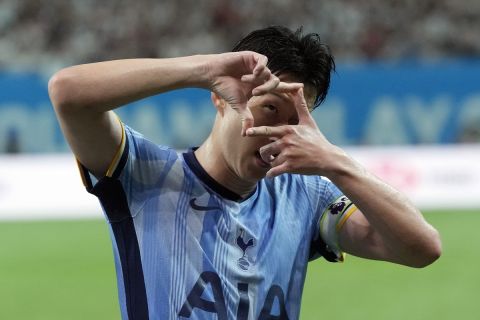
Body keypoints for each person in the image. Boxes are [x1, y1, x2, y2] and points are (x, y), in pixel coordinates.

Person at [49, 26, 441, 320]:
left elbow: (421, 248)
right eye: (270, 109)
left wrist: (335, 161)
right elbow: (67, 92)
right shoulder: (144, 174)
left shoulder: (307, 196)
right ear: (221, 96)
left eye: (296, 121)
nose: (279, 134)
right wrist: (202, 68)